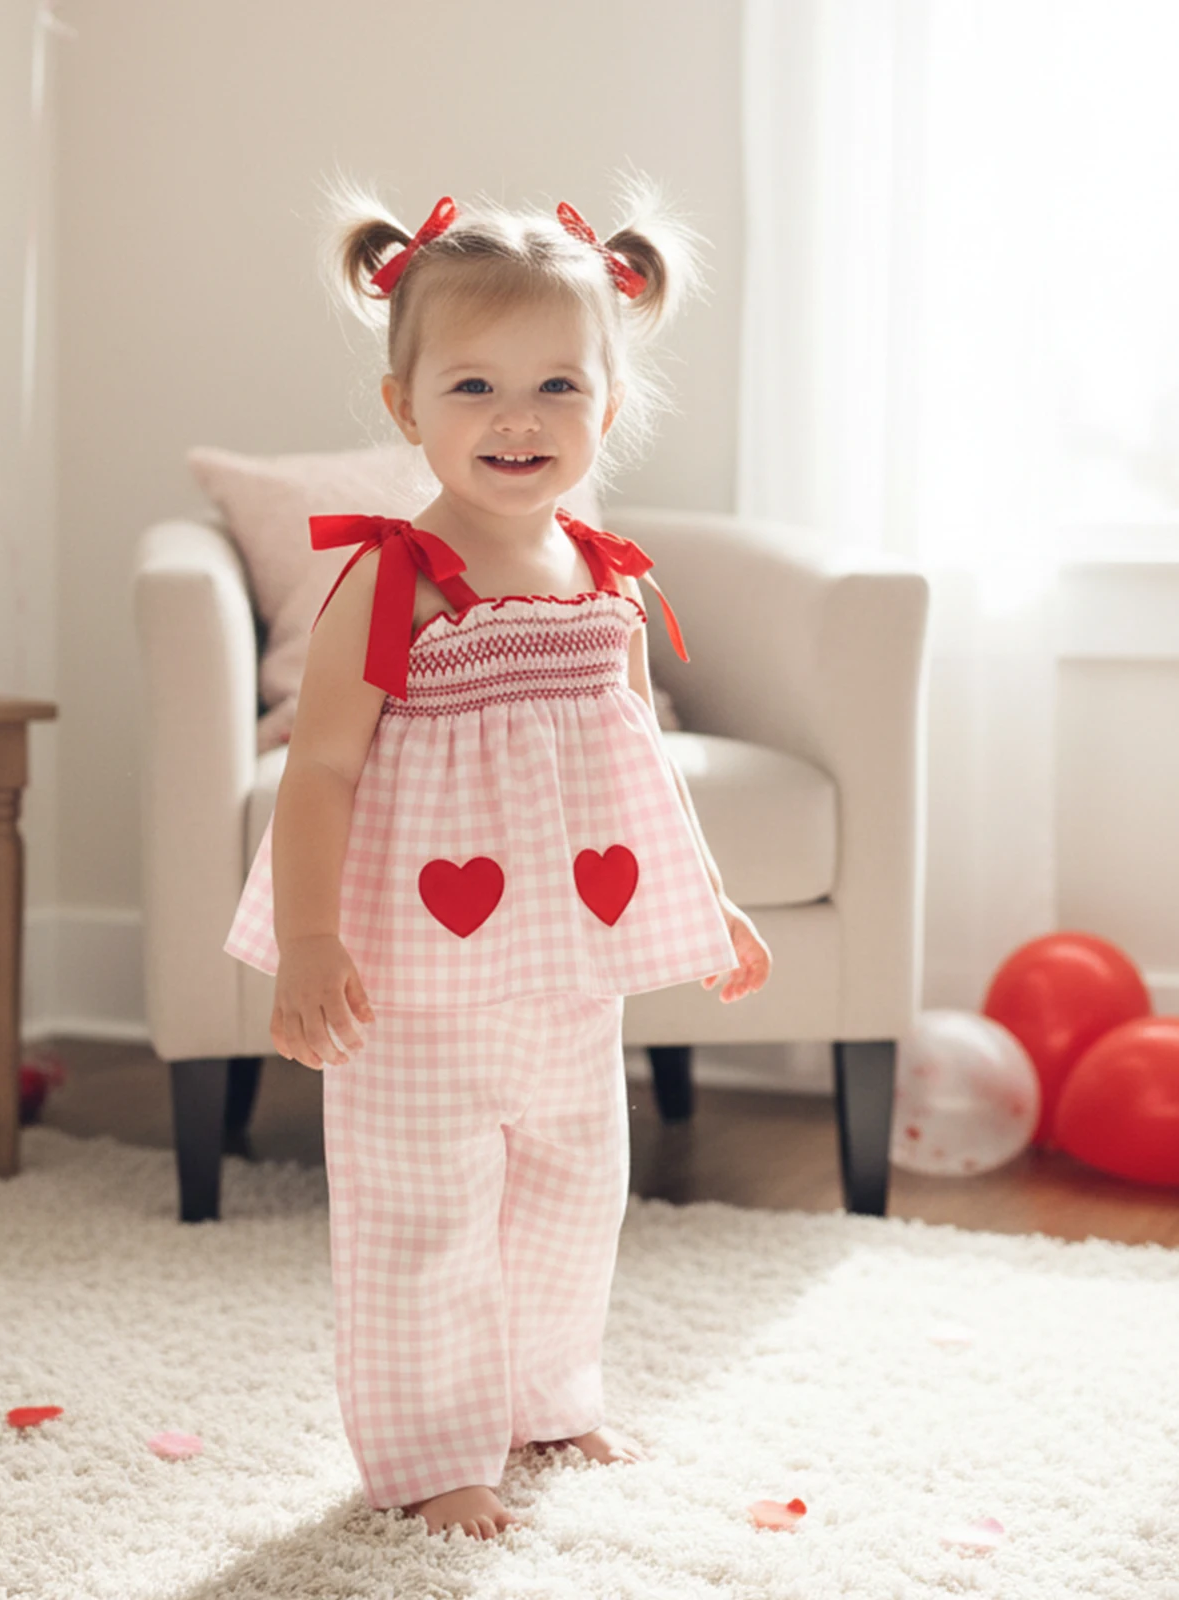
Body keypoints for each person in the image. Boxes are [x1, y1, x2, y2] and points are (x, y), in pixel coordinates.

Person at [223, 181, 772, 1541]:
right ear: (406, 406)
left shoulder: (606, 573)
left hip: (568, 967)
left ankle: (546, 1397)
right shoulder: (394, 579)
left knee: (574, 1193)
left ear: (611, 403)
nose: (516, 420)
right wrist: (307, 943)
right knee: (427, 1217)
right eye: (472, 385)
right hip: (418, 978)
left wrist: (706, 904)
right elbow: (324, 768)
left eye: (555, 387)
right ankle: (429, 1452)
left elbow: (639, 758)